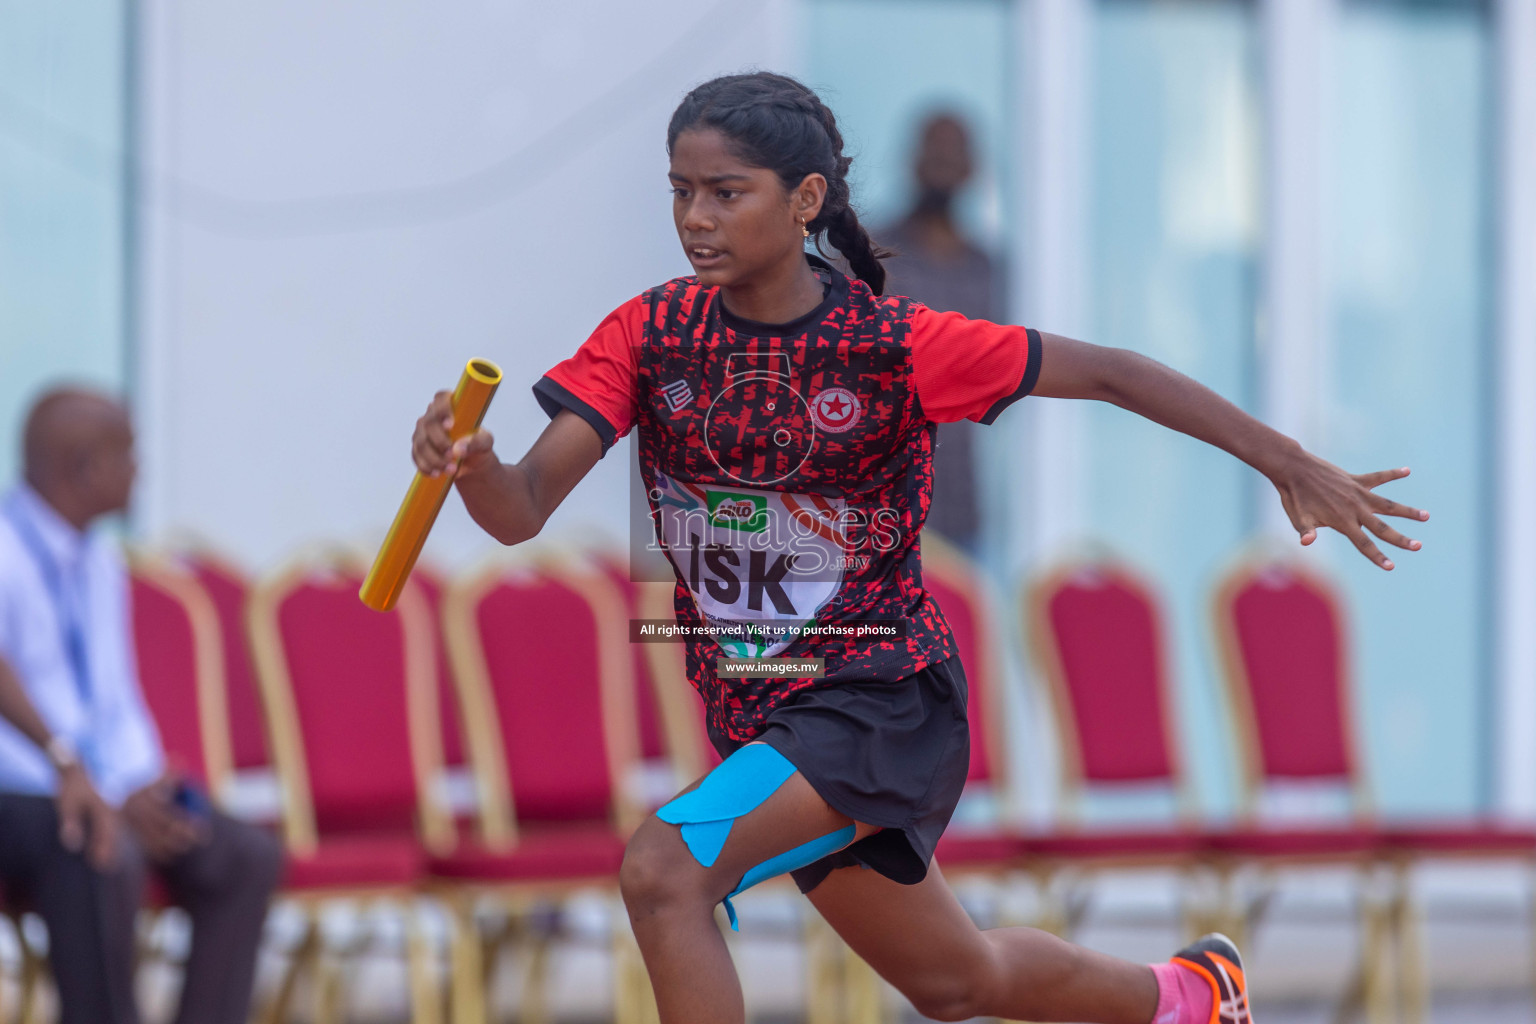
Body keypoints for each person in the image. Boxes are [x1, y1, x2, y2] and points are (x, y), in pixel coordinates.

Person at [409, 72, 1426, 1024]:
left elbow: (1112, 373)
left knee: (665, 871)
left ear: (805, 199)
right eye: (681, 192)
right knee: (954, 978)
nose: (696, 218)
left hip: (880, 700)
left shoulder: (897, 346)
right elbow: (522, 507)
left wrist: (1284, 459)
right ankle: (1191, 994)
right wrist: (469, 466)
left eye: (726, 192)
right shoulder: (651, 334)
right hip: (763, 713)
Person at [0, 387, 283, 1024]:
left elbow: (113, 698)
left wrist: (141, 785)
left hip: (91, 782)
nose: (140, 469)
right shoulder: (4, 552)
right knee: (100, 850)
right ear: (83, 468)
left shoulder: (100, 561)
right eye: (127, 452)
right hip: (21, 794)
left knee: (244, 856)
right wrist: (96, 788)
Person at [877, 111, 1002, 554]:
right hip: (877, 501)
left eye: (954, 157)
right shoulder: (871, 254)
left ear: (972, 169)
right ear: (912, 162)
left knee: (963, 622)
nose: (942, 167)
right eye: (934, 155)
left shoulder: (987, 268)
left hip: (961, 502)